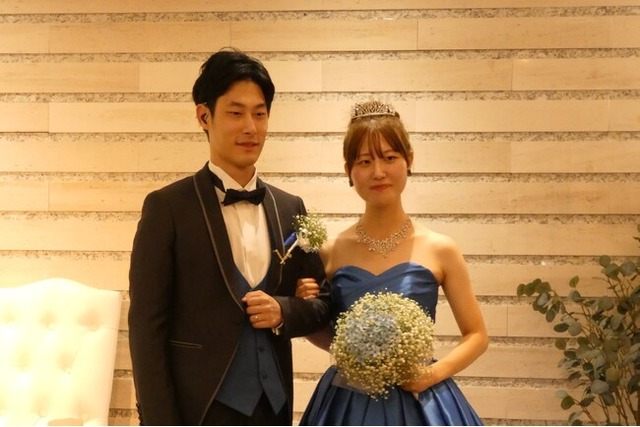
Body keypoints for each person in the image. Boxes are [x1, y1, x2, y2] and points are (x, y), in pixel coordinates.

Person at [128, 48, 332, 426]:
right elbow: (146, 327)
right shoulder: (167, 208)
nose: (250, 127)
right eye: (236, 113)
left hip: (273, 409)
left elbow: (324, 304)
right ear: (204, 116)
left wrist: (284, 310)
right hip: (198, 409)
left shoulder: (290, 208)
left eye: (260, 113)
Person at [296, 100, 489, 425]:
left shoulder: (440, 248)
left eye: (389, 157)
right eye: (365, 161)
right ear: (348, 170)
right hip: (347, 403)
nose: (378, 172)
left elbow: (477, 335)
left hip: (422, 400)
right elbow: (320, 332)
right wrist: (308, 312)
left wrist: (432, 374)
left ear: (409, 159)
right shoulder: (330, 251)